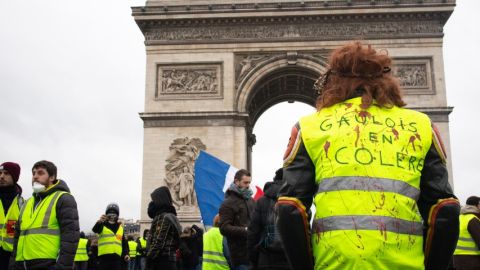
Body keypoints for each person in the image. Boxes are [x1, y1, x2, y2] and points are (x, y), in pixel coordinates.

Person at [276, 42, 460, 270]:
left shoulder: (310, 127)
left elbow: (289, 208)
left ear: (333, 80)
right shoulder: (420, 126)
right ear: (386, 79)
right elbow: (445, 209)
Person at [11, 160, 80, 269]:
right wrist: (13, 265)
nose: (35, 176)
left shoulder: (63, 198)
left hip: (47, 265)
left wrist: (61, 267)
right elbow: (17, 237)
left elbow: (71, 237)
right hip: (21, 265)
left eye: (40, 173)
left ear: (52, 177)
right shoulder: (27, 203)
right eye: (33, 173)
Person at [247, 168, 290, 270]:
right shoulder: (296, 200)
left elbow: (253, 232)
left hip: (266, 259)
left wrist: (253, 259)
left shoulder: (262, 201)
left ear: (275, 180)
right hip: (290, 260)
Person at [218, 169, 255, 270]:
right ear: (236, 181)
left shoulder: (251, 201)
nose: (248, 185)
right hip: (240, 257)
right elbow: (223, 228)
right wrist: (245, 230)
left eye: (249, 182)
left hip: (254, 254)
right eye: (245, 182)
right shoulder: (227, 203)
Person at [146, 186, 181, 270]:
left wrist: (149, 259)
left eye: (154, 200)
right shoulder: (169, 216)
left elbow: (159, 242)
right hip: (166, 260)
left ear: (160, 200)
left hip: (162, 261)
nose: (152, 203)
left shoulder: (164, 217)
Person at [0, 162, 23, 270]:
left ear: (14, 177)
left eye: (6, 173)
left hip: (12, 257)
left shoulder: (22, 203)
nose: (1, 176)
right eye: (0, 173)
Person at [92, 203, 129, 270]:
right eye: (110, 213)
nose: (112, 216)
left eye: (114, 214)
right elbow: (95, 230)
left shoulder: (120, 228)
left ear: (117, 215)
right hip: (104, 258)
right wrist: (99, 221)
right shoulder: (102, 224)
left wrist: (126, 254)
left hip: (117, 259)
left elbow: (123, 243)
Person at [453, 196, 480, 269]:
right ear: (477, 205)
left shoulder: (459, 218)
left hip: (457, 260)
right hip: (472, 261)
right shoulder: (473, 219)